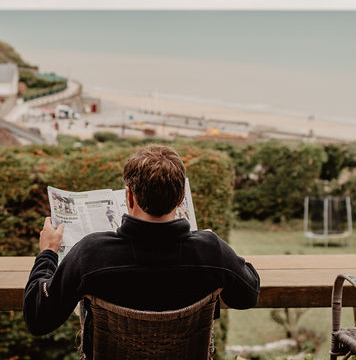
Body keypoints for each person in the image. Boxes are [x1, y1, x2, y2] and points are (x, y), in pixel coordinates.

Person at [23, 144, 260, 340]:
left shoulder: (90, 254)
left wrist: (48, 253)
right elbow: (248, 295)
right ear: (180, 200)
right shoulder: (210, 251)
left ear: (129, 196)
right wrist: (212, 245)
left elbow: (38, 318)